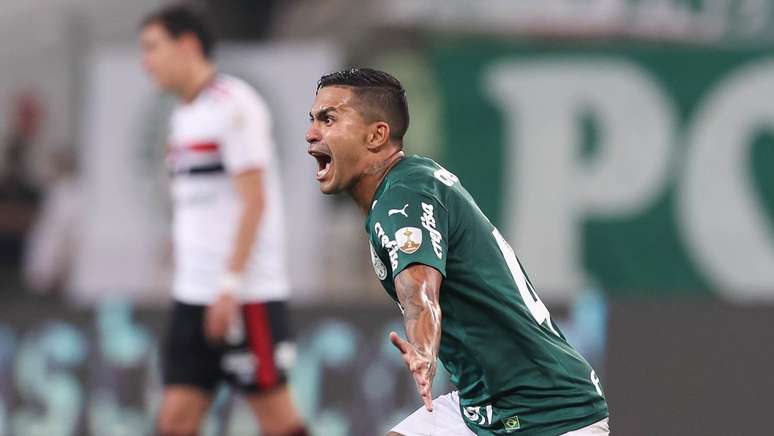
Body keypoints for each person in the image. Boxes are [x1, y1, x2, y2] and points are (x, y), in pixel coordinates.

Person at [306, 68, 610, 435]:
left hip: (547, 413)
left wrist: (421, 345)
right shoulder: (410, 183)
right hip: (480, 404)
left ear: (376, 135)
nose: (311, 134)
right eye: (313, 119)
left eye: (328, 119)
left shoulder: (403, 198)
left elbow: (420, 289)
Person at [139, 5, 306, 436]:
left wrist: (229, 284)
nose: (147, 62)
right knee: (174, 420)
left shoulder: (235, 106)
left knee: (277, 420)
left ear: (187, 45)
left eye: (153, 47)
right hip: (192, 295)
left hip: (244, 294)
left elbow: (254, 202)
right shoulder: (181, 116)